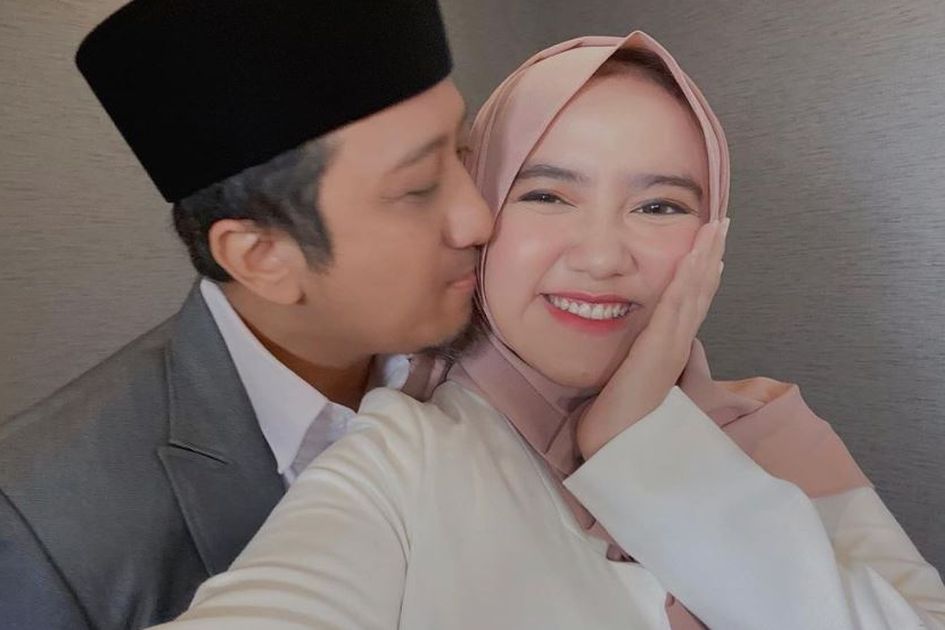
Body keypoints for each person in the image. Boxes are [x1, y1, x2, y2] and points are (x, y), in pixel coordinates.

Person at [155, 32, 945, 629]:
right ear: (481, 207)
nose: (601, 257)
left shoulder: (770, 429)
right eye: (545, 195)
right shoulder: (404, 455)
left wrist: (643, 443)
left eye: (660, 206)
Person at [0, 1, 492, 628]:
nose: (478, 219)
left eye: (464, 151)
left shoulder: (489, 349)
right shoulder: (46, 531)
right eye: (419, 187)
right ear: (262, 257)